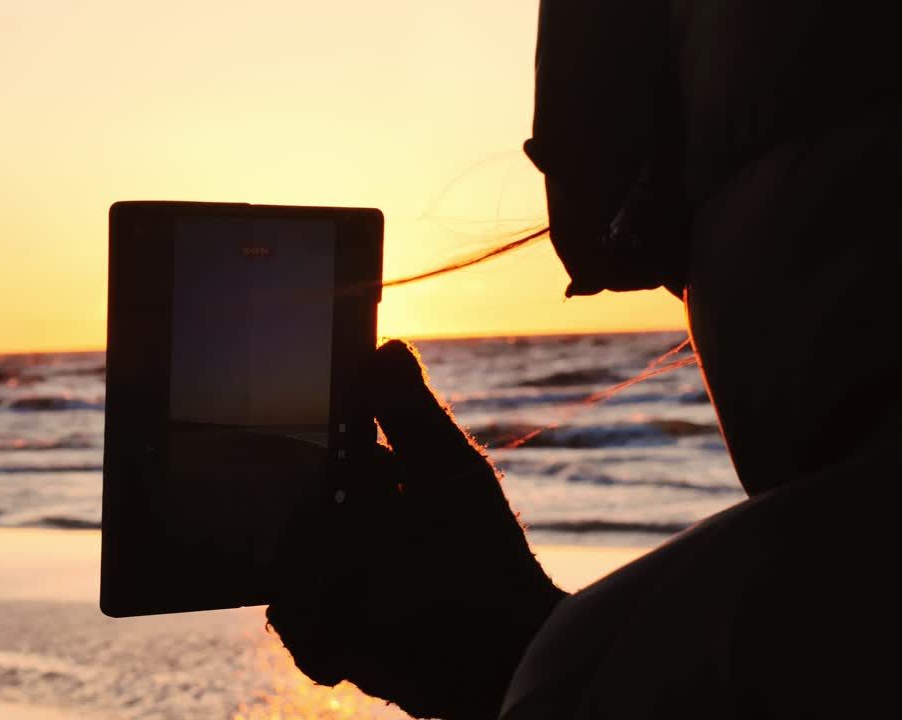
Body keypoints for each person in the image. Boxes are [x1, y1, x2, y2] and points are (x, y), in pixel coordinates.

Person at [265, 1, 902, 717]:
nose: (683, 301)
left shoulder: (719, 638)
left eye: (666, 245)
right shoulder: (800, 617)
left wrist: (525, 662)